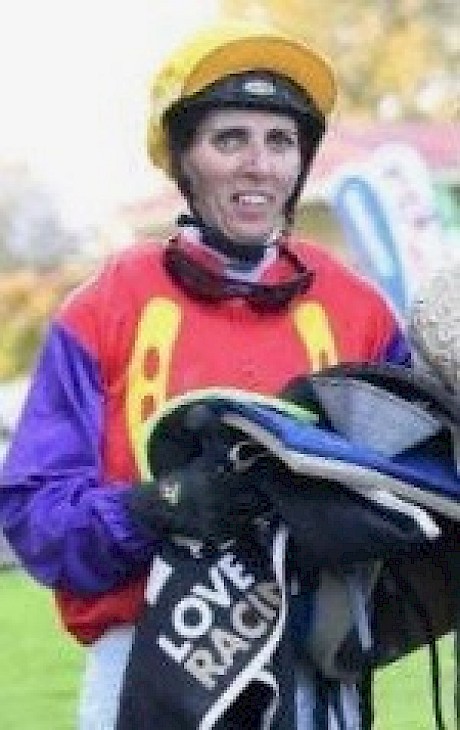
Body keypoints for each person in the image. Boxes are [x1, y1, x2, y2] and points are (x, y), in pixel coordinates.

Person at [0, 18, 412, 729]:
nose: (260, 165)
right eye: (231, 139)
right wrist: (151, 508)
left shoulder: (361, 311)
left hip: (318, 672)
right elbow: (34, 518)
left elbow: (421, 480)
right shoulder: (103, 308)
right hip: (147, 670)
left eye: (280, 141)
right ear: (185, 160)